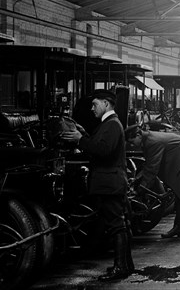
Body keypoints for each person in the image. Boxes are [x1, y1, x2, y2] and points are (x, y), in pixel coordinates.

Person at [61, 89, 133, 281]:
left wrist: (80, 140)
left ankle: (121, 268)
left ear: (106, 104)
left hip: (109, 183)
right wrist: (85, 135)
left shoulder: (111, 124)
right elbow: (100, 144)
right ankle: (126, 265)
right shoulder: (109, 124)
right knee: (119, 223)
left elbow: (103, 150)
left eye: (95, 104)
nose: (92, 108)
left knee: (117, 225)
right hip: (110, 182)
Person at [124, 126, 180, 241]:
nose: (132, 145)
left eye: (132, 142)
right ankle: (178, 227)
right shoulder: (147, 139)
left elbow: (152, 168)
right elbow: (148, 165)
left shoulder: (152, 142)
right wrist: (138, 179)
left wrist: (141, 187)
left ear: (138, 135)